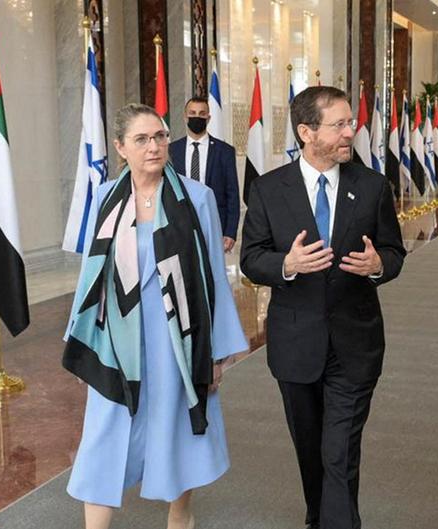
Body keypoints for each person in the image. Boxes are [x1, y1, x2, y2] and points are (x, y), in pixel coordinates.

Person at [63, 103, 247, 529]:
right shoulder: (107, 197)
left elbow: (213, 280)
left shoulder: (196, 198)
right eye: (143, 139)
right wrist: (80, 337)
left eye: (161, 136)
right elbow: (93, 272)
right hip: (116, 339)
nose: (155, 146)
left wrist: (215, 354)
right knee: (104, 430)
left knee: (176, 427)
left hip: (176, 340)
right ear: (120, 147)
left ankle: (180, 517)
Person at [240, 86, 406, 529]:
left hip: (356, 343)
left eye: (350, 123)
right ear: (306, 132)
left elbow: (394, 252)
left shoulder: (371, 186)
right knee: (311, 449)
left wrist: (377, 266)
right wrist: (287, 264)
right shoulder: (268, 189)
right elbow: (251, 259)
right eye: (339, 125)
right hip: (295, 345)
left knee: (339, 453)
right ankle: (319, 516)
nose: (350, 132)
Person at [169, 96, 240, 253]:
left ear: (208, 118)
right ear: (185, 117)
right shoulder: (172, 150)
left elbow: (232, 194)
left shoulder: (225, 151)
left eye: (202, 114)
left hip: (214, 224)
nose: (197, 117)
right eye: (192, 113)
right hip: (179, 225)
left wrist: (230, 232)